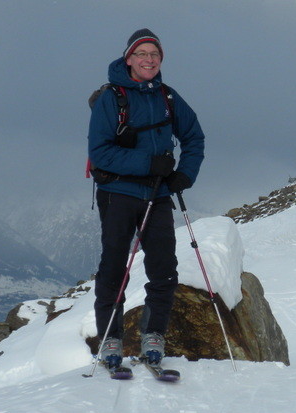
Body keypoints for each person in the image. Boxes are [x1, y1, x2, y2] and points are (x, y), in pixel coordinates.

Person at [88, 28, 205, 368]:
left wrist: (185, 174)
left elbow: (194, 137)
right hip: (118, 193)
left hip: (158, 192)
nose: (149, 60)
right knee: (114, 266)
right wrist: (150, 163)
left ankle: (154, 335)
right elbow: (99, 153)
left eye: (155, 55)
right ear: (130, 59)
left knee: (164, 267)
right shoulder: (113, 98)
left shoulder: (168, 97)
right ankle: (110, 339)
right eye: (143, 54)